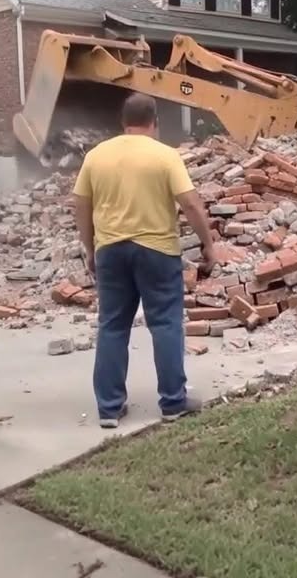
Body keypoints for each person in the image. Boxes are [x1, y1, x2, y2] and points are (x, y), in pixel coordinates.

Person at [73, 93, 216, 429]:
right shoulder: (165, 156)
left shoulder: (96, 156)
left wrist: (91, 248)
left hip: (111, 249)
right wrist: (209, 244)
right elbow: (191, 204)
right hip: (157, 251)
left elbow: (80, 204)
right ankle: (172, 402)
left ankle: (109, 408)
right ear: (155, 121)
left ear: (123, 122)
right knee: (165, 324)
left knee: (112, 325)